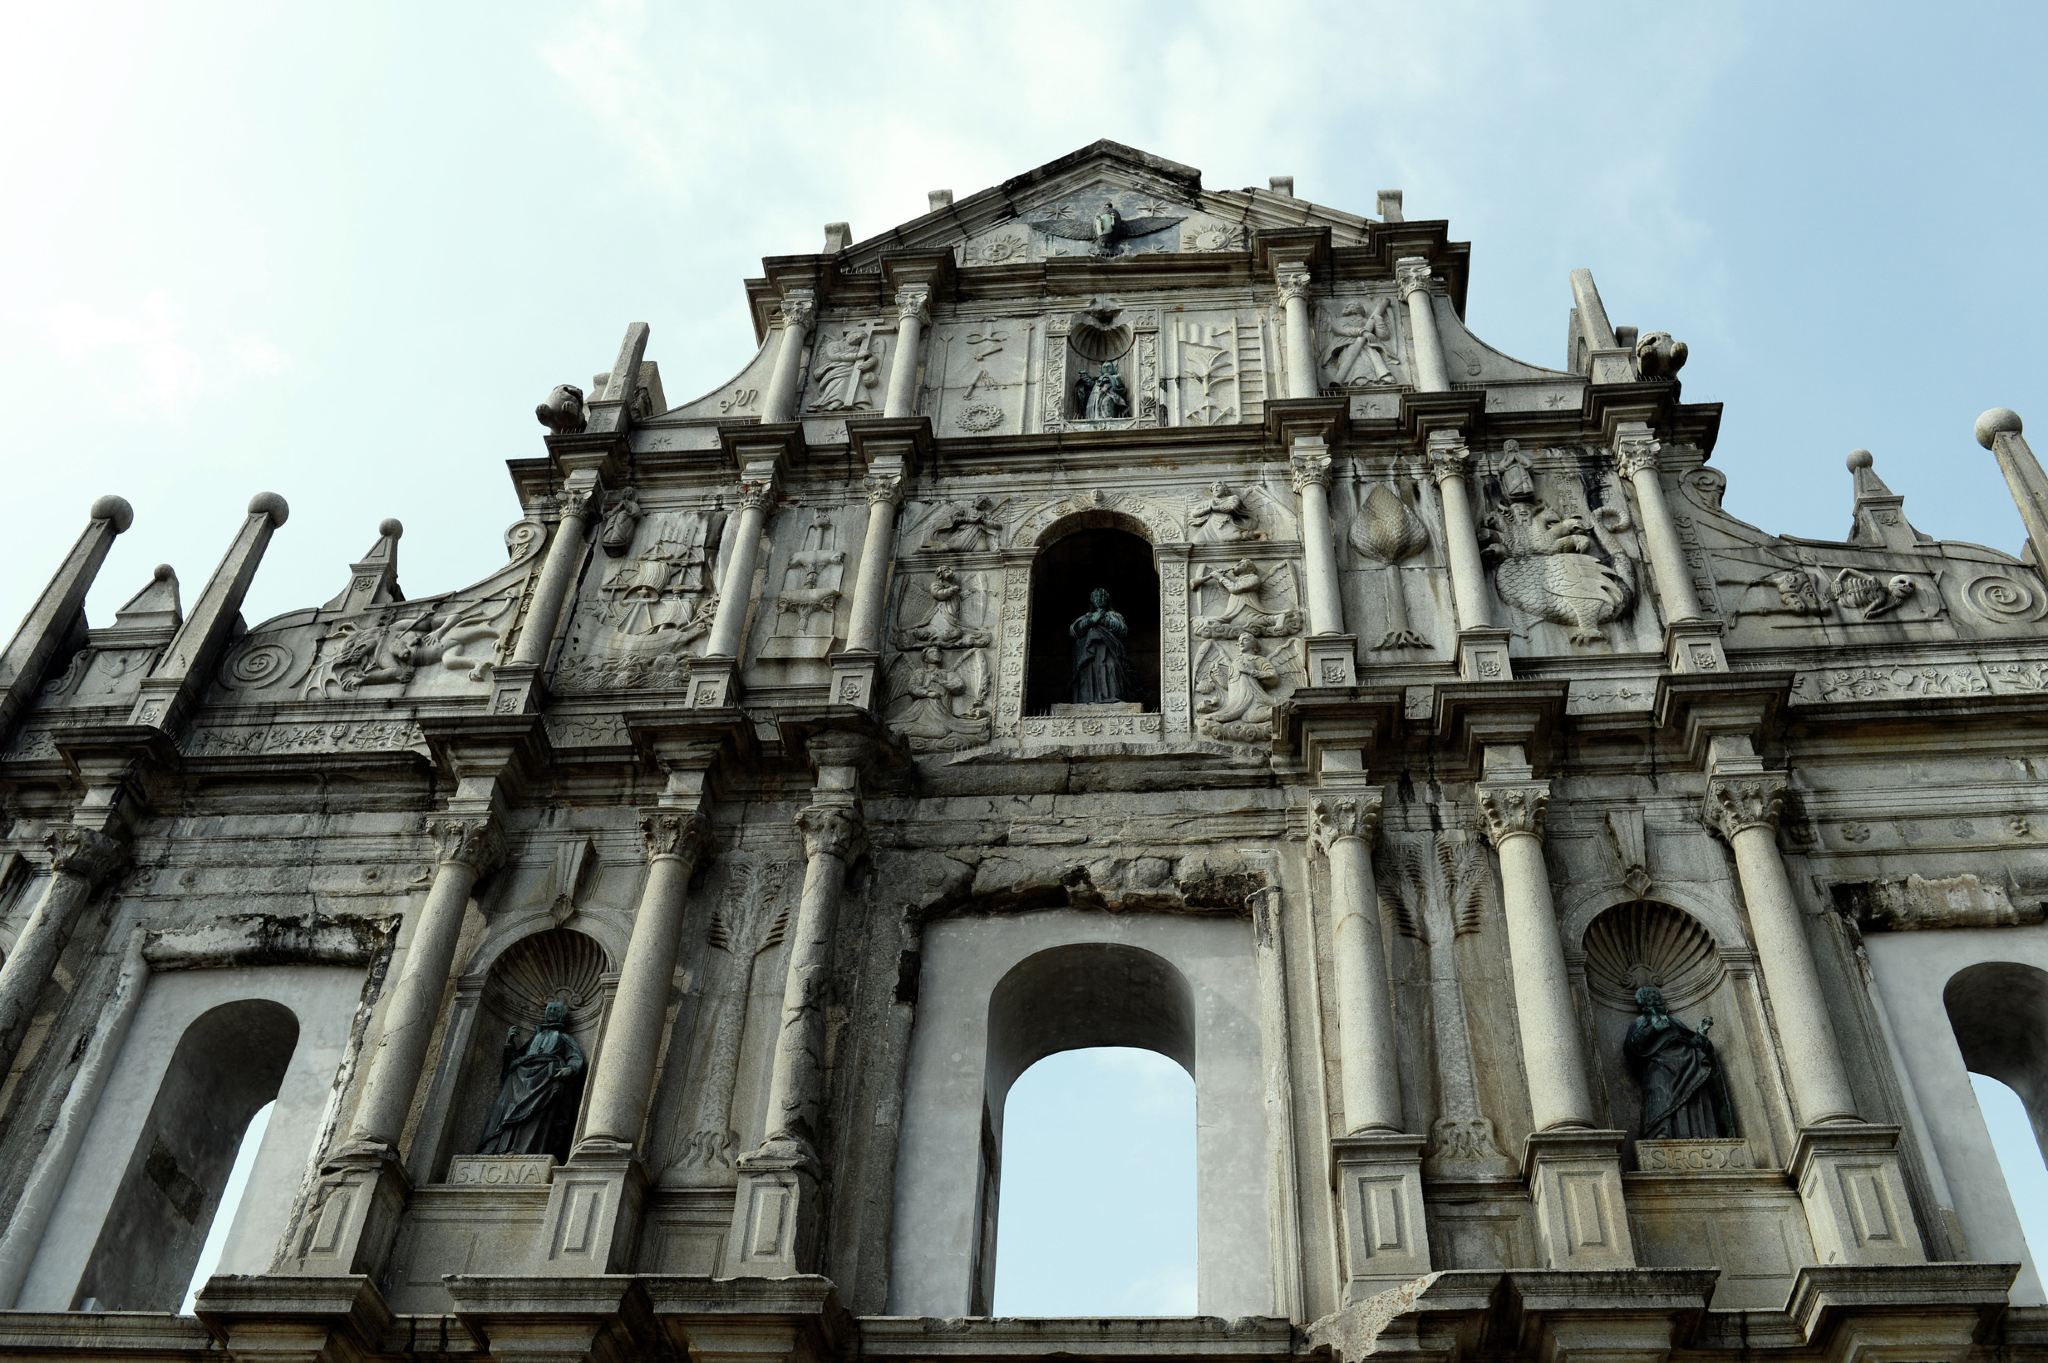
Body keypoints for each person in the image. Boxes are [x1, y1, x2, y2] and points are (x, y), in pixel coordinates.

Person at [478, 1000, 587, 1160]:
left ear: (562, 1015)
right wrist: (510, 1043)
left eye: (555, 1011)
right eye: (549, 1010)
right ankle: (502, 1148)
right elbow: (517, 1058)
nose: (551, 1013)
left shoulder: (563, 1038)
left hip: (545, 1080)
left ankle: (527, 1150)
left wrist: (569, 1069)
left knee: (537, 1114)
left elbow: (576, 1057)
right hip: (519, 1078)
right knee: (508, 1112)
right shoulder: (536, 1037)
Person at [1623, 984, 1733, 1139]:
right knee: (1662, 1096)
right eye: (1649, 997)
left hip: (1690, 1064)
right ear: (1643, 1002)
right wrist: (1654, 1029)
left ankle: (1700, 1133)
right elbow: (1632, 1047)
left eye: (1656, 997)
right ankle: (1662, 1133)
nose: (1654, 1000)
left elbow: (1693, 1043)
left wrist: (1701, 1034)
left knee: (1695, 1093)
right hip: (1660, 1068)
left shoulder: (1675, 1021)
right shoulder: (1641, 1022)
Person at [1068, 586, 1136, 704]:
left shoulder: (1114, 616)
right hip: (1089, 654)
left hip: (1110, 651)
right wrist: (1091, 621)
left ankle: (1113, 697)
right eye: (1096, 596)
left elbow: (1122, 629)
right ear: (1092, 600)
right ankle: (1088, 699)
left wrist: (1103, 619)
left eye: (1102, 596)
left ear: (1107, 600)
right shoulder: (1087, 616)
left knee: (1111, 668)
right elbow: (1074, 631)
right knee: (1089, 673)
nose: (1099, 599)